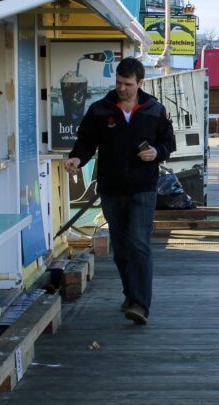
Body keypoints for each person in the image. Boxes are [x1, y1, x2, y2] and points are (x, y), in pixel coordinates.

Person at [65, 57, 175, 325]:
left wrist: (156, 152)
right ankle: (130, 294)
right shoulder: (100, 110)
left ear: (140, 82)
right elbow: (86, 142)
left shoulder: (155, 110)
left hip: (143, 188)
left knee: (139, 242)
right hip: (111, 188)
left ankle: (140, 304)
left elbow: (168, 143)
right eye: (118, 83)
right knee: (122, 247)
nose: (122, 88)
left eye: (127, 84)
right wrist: (77, 159)